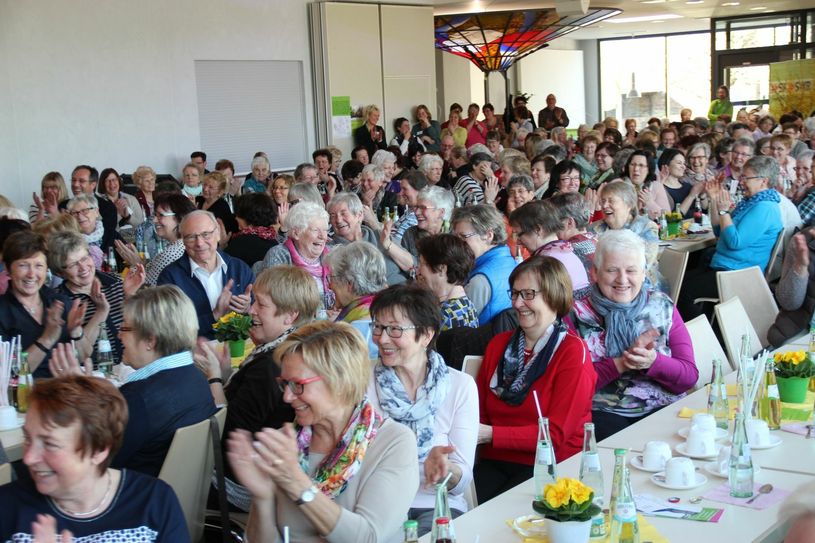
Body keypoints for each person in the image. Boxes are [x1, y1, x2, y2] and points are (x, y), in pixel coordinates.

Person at [226, 320, 419, 542]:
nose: (287, 397)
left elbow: (368, 537)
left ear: (340, 382)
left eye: (298, 385)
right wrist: (262, 496)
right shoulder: (285, 444)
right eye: (284, 384)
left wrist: (296, 482)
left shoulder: (393, 443)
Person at [0, 375, 189, 541]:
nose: (28, 458)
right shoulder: (7, 506)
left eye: (50, 444)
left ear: (99, 450)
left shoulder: (153, 501)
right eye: (27, 438)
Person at [195, 266, 321, 511]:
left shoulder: (272, 366)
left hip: (240, 485)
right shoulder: (295, 349)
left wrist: (214, 378)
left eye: (261, 305)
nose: (251, 310)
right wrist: (226, 375)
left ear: (290, 316)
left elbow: (227, 436)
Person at [475, 256, 595, 502]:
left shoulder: (572, 352)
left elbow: (556, 435)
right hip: (495, 459)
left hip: (552, 464)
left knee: (501, 510)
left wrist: (491, 434)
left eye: (528, 294)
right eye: (514, 293)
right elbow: (479, 413)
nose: (518, 303)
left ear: (553, 295)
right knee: (462, 510)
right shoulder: (498, 344)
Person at [367, 284, 478, 535]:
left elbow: (462, 481)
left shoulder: (460, 386)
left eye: (395, 329)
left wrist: (446, 469)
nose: (382, 339)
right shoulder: (362, 381)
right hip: (378, 503)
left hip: (435, 504)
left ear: (426, 335)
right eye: (378, 327)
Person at [572, 230, 696, 440]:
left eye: (631, 270)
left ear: (643, 273)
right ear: (595, 273)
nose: (622, 279)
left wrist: (653, 362)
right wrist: (621, 363)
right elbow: (572, 387)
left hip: (663, 407)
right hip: (602, 414)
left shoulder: (662, 306)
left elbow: (688, 377)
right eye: (612, 270)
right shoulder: (575, 315)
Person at [678, 156, 784, 319]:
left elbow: (735, 242)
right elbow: (719, 230)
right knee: (677, 282)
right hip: (724, 267)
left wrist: (724, 211)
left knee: (682, 291)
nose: (742, 182)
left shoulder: (765, 208)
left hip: (737, 274)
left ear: (764, 181)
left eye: (746, 178)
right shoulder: (751, 203)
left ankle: (703, 333)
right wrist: (714, 200)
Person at [0, 231, 87, 378]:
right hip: (27, 391)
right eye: (23, 265)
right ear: (8, 270)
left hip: (67, 387)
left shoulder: (60, 302)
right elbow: (10, 374)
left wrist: (76, 332)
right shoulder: (3, 312)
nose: (31, 274)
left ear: (47, 269)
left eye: (39, 266)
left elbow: (84, 357)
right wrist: (46, 339)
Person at [49, 230, 144, 364]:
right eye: (73, 265)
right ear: (60, 272)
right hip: (96, 371)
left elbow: (145, 329)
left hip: (134, 365)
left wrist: (130, 296)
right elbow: (80, 356)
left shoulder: (116, 281)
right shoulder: (60, 301)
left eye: (84, 258)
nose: (83, 268)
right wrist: (101, 312)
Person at [157, 210, 254, 338]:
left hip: (239, 348)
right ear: (183, 241)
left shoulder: (239, 268)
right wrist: (214, 315)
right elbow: (169, 329)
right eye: (191, 237)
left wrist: (248, 309)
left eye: (206, 234)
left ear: (218, 233)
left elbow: (261, 316)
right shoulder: (170, 278)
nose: (199, 243)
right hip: (195, 349)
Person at [254, 201, 334, 314]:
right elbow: (277, 300)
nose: (322, 236)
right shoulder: (279, 255)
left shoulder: (332, 256)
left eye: (325, 230)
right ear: (296, 233)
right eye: (315, 230)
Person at [451, 204, 516, 325]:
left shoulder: (480, 280)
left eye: (464, 237)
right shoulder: (510, 261)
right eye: (456, 237)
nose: (457, 244)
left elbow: (456, 324)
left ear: (488, 235)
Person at [510, 200, 590, 296]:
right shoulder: (567, 249)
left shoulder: (545, 262)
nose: (518, 241)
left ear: (537, 229)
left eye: (519, 234)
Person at [591, 180, 661, 288]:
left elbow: (642, 266)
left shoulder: (647, 227)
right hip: (604, 284)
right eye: (603, 201)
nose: (604, 206)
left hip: (641, 286)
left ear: (629, 205)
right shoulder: (594, 228)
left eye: (611, 201)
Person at [116, 192, 196, 286]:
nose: (154, 220)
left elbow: (147, 289)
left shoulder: (170, 254)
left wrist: (135, 264)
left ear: (180, 218)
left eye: (161, 215)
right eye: (155, 215)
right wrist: (141, 263)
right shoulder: (185, 245)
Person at [325, 241, 387, 354]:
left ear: (349, 284)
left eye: (332, 278)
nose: (329, 285)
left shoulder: (356, 330)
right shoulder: (385, 309)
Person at [381, 186, 454, 279]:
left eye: (423, 208)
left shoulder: (454, 236)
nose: (417, 212)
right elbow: (403, 271)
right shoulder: (410, 233)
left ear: (441, 212)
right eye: (416, 207)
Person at [416, 233, 478, 331]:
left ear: (441, 269)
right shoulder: (465, 304)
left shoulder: (445, 316)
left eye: (422, 264)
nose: (417, 271)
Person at [551, 192, 599, 277]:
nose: (550, 226)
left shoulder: (567, 252)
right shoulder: (597, 240)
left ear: (569, 223)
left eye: (553, 221)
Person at [224, 192, 278, 267]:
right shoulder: (274, 240)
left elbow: (222, 265)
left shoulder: (242, 242)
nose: (235, 218)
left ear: (248, 217)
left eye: (238, 214)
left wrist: (222, 245)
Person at [658, 148, 704, 218]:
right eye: (679, 163)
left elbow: (703, 210)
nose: (683, 167)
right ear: (666, 165)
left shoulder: (688, 187)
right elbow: (672, 218)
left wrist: (703, 194)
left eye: (684, 164)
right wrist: (691, 196)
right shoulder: (660, 188)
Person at [197, 171, 238, 236]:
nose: (205, 189)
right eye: (205, 184)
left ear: (220, 192)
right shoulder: (198, 199)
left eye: (210, 187)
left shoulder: (222, 206)